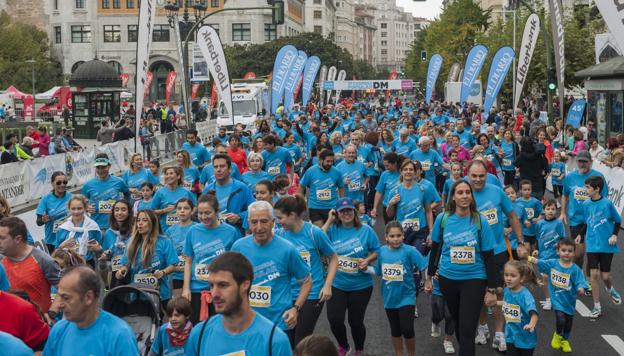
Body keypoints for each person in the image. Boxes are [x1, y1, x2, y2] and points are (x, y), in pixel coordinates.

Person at [425, 180, 498, 356]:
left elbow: (489, 256)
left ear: (471, 196)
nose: (464, 196)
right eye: (460, 193)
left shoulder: (480, 221)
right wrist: (428, 278)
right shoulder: (443, 219)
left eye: (467, 192)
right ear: (453, 197)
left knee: (467, 328)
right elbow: (435, 250)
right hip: (448, 280)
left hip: (474, 279)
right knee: (458, 323)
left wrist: (492, 288)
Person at [231, 201, 312, 346]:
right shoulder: (238, 247)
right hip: (246, 323)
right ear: (248, 223)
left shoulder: (288, 249)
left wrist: (296, 308)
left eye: (264, 221)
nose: (259, 227)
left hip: (278, 323)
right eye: (254, 222)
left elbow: (306, 281)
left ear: (273, 222)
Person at [185, 252, 292, 356]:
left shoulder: (274, 341)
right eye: (212, 286)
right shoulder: (199, 335)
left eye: (223, 285)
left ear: (245, 285)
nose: (214, 294)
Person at [467, 160, 525, 351]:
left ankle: (499, 333)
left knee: (499, 291)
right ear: (468, 175)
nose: (478, 179)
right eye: (474, 176)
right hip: (474, 253)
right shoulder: (463, 193)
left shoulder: (496, 191)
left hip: (498, 251)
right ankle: (482, 328)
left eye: (481, 176)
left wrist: (521, 242)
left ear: (487, 175)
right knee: (482, 294)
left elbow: (512, 216)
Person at [274, 195, 338, 345]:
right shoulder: (280, 234)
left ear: (292, 215)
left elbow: (334, 258)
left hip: (313, 292)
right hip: (288, 293)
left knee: (301, 340)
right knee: (287, 339)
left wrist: (327, 284)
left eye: (280, 218)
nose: (278, 222)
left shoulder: (314, 233)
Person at [322, 198, 380, 356]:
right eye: (342, 211)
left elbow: (378, 250)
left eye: (349, 210)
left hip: (360, 285)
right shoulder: (333, 229)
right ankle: (344, 346)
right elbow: (317, 238)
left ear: (354, 212)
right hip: (337, 283)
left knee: (355, 322)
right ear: (337, 213)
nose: (346, 213)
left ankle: (359, 350)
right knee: (334, 319)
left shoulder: (366, 230)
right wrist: (329, 219)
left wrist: (367, 260)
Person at [43, 266, 139, 355]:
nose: (60, 304)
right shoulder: (59, 330)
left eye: (66, 297)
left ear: (88, 297)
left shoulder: (119, 335)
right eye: (59, 296)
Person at [182, 193, 239, 324]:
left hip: (221, 290)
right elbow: (188, 260)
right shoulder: (193, 231)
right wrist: (186, 288)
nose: (203, 217)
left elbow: (235, 264)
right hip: (197, 290)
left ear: (217, 211)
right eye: (200, 213)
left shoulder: (231, 232)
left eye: (207, 213)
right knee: (198, 329)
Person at [374, 222, 428, 356]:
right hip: (389, 297)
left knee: (407, 329)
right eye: (392, 236)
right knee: (395, 330)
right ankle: (399, 353)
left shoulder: (410, 250)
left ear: (403, 236)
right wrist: (363, 267)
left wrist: (428, 280)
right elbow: (378, 271)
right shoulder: (381, 251)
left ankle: (411, 354)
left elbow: (423, 265)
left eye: (398, 235)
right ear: (386, 237)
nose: (396, 238)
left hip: (407, 296)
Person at [527, 239, 588, 353]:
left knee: (568, 323)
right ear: (558, 251)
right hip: (556, 299)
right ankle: (557, 335)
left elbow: (580, 281)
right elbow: (539, 262)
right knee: (560, 319)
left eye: (570, 251)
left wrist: (580, 288)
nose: (566, 253)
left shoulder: (575, 269)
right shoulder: (553, 263)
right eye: (563, 250)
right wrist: (528, 257)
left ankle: (564, 340)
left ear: (574, 253)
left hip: (569, 301)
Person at [115, 210, 178, 305]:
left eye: (144, 220)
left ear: (152, 223)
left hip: (159, 292)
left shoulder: (165, 241)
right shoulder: (131, 242)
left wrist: (162, 272)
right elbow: (125, 265)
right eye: (138, 220)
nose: (140, 223)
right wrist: (121, 271)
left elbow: (173, 265)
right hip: (136, 292)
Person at [0, 216, 61, 314]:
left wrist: (51, 313)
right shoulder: (1, 262)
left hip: (39, 324)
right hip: (13, 325)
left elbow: (65, 289)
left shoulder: (43, 260)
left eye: (2, 238)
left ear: (18, 239)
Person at [581, 176, 622, 317]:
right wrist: (580, 235)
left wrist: (614, 235)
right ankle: (597, 306)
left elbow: (618, 221)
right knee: (594, 274)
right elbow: (587, 222)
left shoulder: (607, 204)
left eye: (588, 187)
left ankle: (610, 289)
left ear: (597, 189)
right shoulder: (586, 204)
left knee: (605, 276)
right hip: (592, 243)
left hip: (606, 244)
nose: (586, 190)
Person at [561, 150, 608, 272]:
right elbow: (565, 195)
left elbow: (605, 199)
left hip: (594, 219)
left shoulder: (598, 177)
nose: (582, 164)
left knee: (592, 253)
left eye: (585, 162)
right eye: (579, 161)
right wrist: (562, 212)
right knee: (578, 254)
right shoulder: (570, 177)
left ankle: (589, 281)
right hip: (576, 219)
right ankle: (578, 276)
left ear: (591, 162)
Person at [201, 154, 254, 233]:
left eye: (222, 166)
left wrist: (239, 217)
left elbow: (253, 210)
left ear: (230, 169)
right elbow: (201, 214)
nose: (218, 169)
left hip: (236, 234)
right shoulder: (207, 190)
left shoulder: (242, 188)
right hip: (214, 234)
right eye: (216, 167)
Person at [499, 261, 539, 356]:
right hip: (510, 335)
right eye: (506, 275)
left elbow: (534, 314)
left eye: (513, 276)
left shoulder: (525, 295)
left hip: (525, 337)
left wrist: (531, 324)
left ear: (521, 278)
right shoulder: (507, 290)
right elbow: (507, 303)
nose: (508, 278)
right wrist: (495, 303)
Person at [82, 153, 130, 230]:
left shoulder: (119, 181)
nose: (100, 170)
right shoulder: (88, 185)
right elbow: (82, 202)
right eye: (98, 167)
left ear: (109, 166)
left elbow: (127, 194)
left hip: (116, 225)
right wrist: (86, 207)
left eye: (103, 167)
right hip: (96, 226)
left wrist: (125, 208)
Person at [298, 149, 345, 227]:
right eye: (328, 161)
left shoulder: (337, 172)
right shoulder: (311, 171)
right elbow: (302, 186)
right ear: (320, 160)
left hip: (332, 207)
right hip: (315, 207)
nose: (330, 163)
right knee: (319, 232)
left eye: (332, 161)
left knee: (331, 232)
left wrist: (342, 203)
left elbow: (341, 187)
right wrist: (299, 202)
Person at [534, 199, 566, 310]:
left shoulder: (558, 223)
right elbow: (537, 238)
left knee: (555, 279)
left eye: (553, 209)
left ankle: (557, 299)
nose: (550, 211)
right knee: (545, 278)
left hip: (555, 256)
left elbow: (562, 238)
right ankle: (548, 300)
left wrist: (561, 252)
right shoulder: (539, 224)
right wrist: (536, 250)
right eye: (548, 209)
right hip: (543, 256)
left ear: (556, 211)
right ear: (544, 210)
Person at [55, 195, 103, 268]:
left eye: (79, 208)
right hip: (68, 265)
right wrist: (61, 247)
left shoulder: (93, 227)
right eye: (73, 209)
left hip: (88, 264)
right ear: (69, 209)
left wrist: (98, 249)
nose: (76, 212)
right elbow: (56, 253)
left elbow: (101, 249)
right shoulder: (63, 228)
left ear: (85, 208)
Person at [151, 166, 197, 233]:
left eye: (171, 173)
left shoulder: (186, 192)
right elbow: (152, 211)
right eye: (166, 174)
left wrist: (190, 214)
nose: (168, 176)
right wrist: (164, 210)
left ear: (178, 176)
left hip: (184, 229)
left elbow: (195, 206)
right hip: (165, 230)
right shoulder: (160, 192)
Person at [36, 171, 73, 253]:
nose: (62, 185)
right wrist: (43, 220)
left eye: (65, 182)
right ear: (52, 184)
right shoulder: (45, 199)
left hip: (68, 238)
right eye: (59, 183)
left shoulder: (71, 197)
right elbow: (38, 222)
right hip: (52, 240)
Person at [372, 152, 402, 223]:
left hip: (401, 206)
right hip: (387, 206)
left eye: (387, 166)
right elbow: (379, 192)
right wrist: (375, 207)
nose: (386, 168)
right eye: (384, 166)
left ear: (394, 163)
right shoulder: (385, 174)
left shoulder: (403, 172)